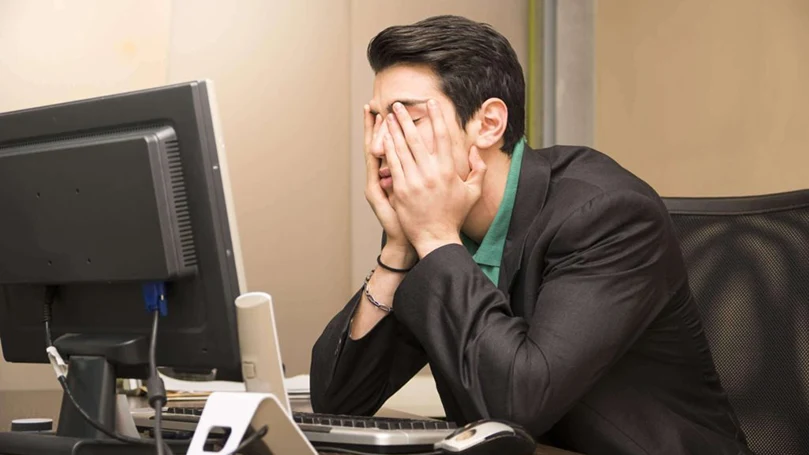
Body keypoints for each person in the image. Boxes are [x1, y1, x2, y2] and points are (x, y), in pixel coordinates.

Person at [310, 14, 751, 455]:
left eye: (407, 120)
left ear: (488, 124)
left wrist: (434, 238)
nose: (381, 145)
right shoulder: (434, 226)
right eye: (379, 120)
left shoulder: (608, 214)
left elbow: (517, 408)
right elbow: (339, 400)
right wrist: (399, 248)